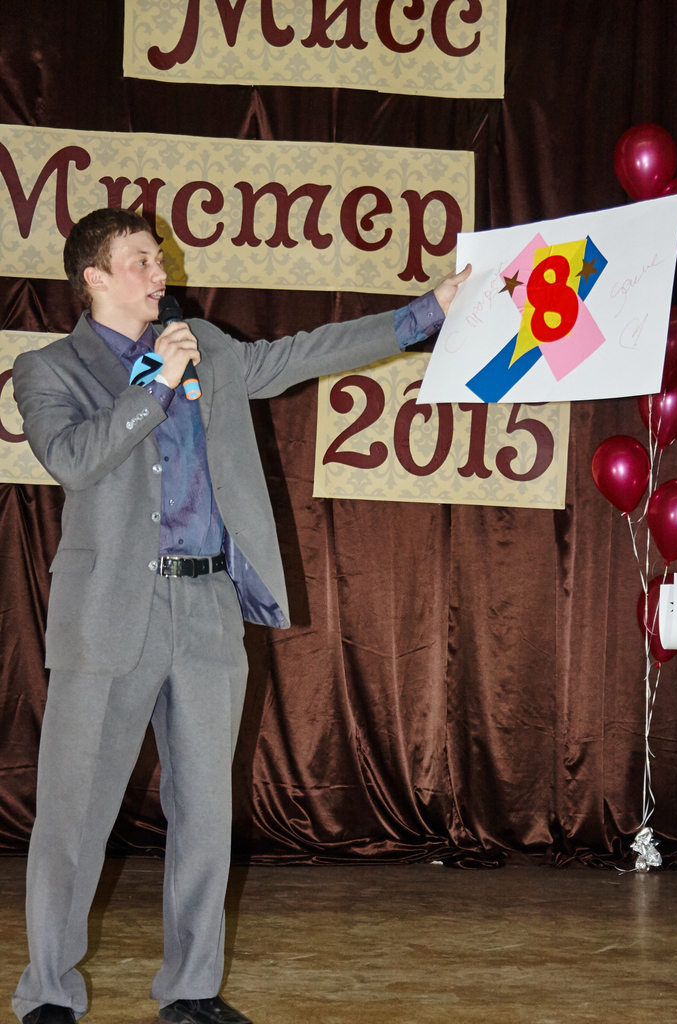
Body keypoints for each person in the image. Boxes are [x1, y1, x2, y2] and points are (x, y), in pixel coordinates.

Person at [10, 208, 471, 1024]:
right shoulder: (49, 369)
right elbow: (74, 459)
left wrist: (424, 312)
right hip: (109, 612)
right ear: (94, 276)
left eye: (158, 258)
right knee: (73, 814)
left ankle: (190, 991)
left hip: (208, 607)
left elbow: (302, 353)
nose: (160, 272)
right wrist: (153, 382)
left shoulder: (207, 346)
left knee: (204, 812)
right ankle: (48, 992)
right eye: (141, 260)